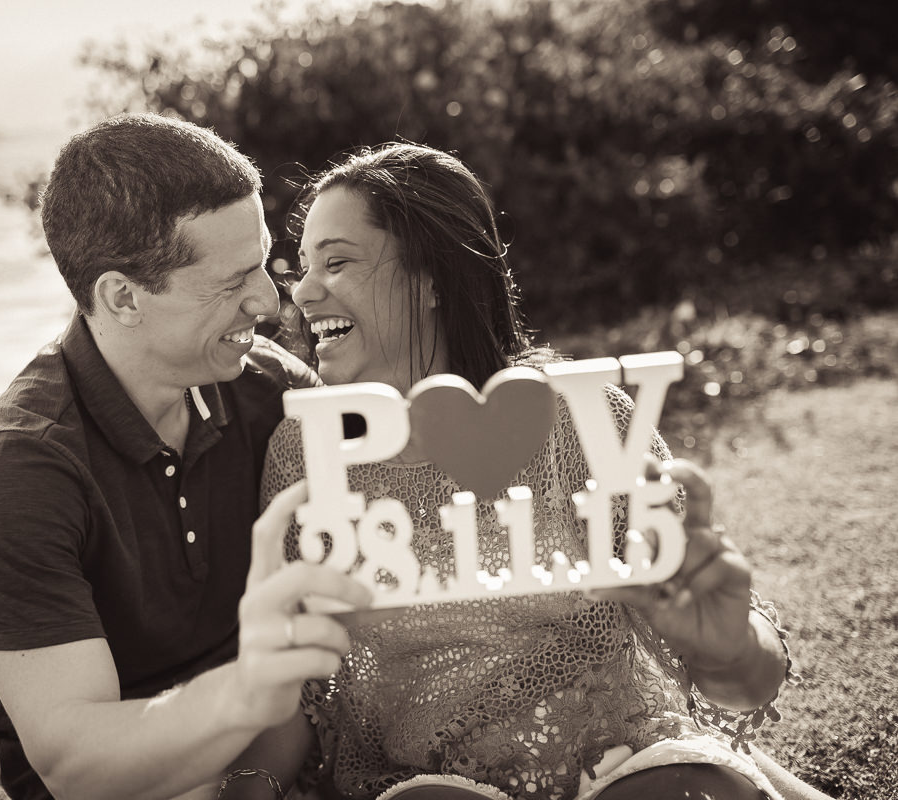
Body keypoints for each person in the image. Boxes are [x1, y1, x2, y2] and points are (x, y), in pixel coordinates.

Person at [245, 143, 829, 800]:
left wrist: (730, 652)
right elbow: (297, 689)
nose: (301, 290)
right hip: (423, 786)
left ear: (431, 277)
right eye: (301, 268)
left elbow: (739, 670)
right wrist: (247, 785)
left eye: (338, 262)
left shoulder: (579, 421)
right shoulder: (307, 452)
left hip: (620, 766)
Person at [0, 112, 373, 800]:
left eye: (261, 261)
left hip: (279, 758)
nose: (268, 300)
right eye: (231, 282)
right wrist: (248, 692)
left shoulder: (265, 389)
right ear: (121, 298)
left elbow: (414, 488)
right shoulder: (10, 473)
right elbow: (75, 761)